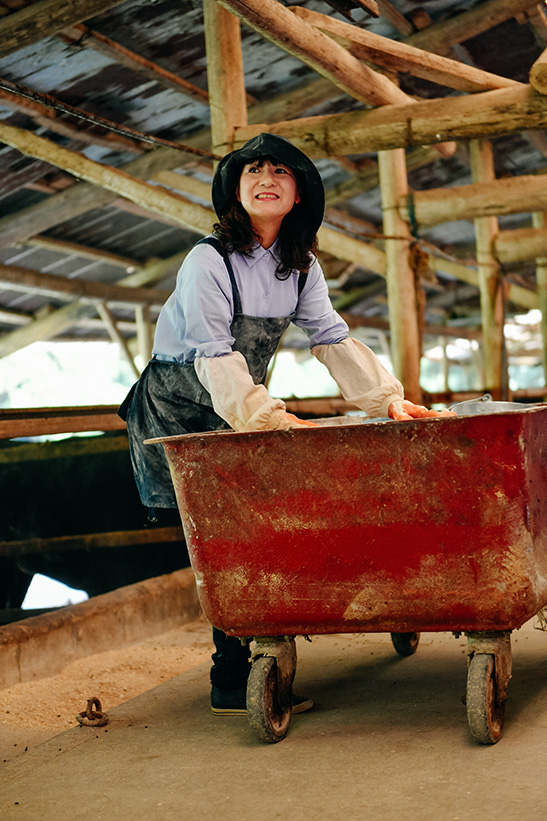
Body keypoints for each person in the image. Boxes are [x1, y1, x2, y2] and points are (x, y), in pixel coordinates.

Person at [120, 132, 452, 716]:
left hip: (236, 400)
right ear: (236, 190)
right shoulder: (208, 259)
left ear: (298, 193)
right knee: (221, 536)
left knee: (251, 528)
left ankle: (251, 664)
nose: (264, 179)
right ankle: (231, 676)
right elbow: (211, 353)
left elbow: (330, 335)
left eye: (279, 171)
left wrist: (386, 401)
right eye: (251, 171)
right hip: (184, 403)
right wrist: (268, 417)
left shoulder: (300, 268)